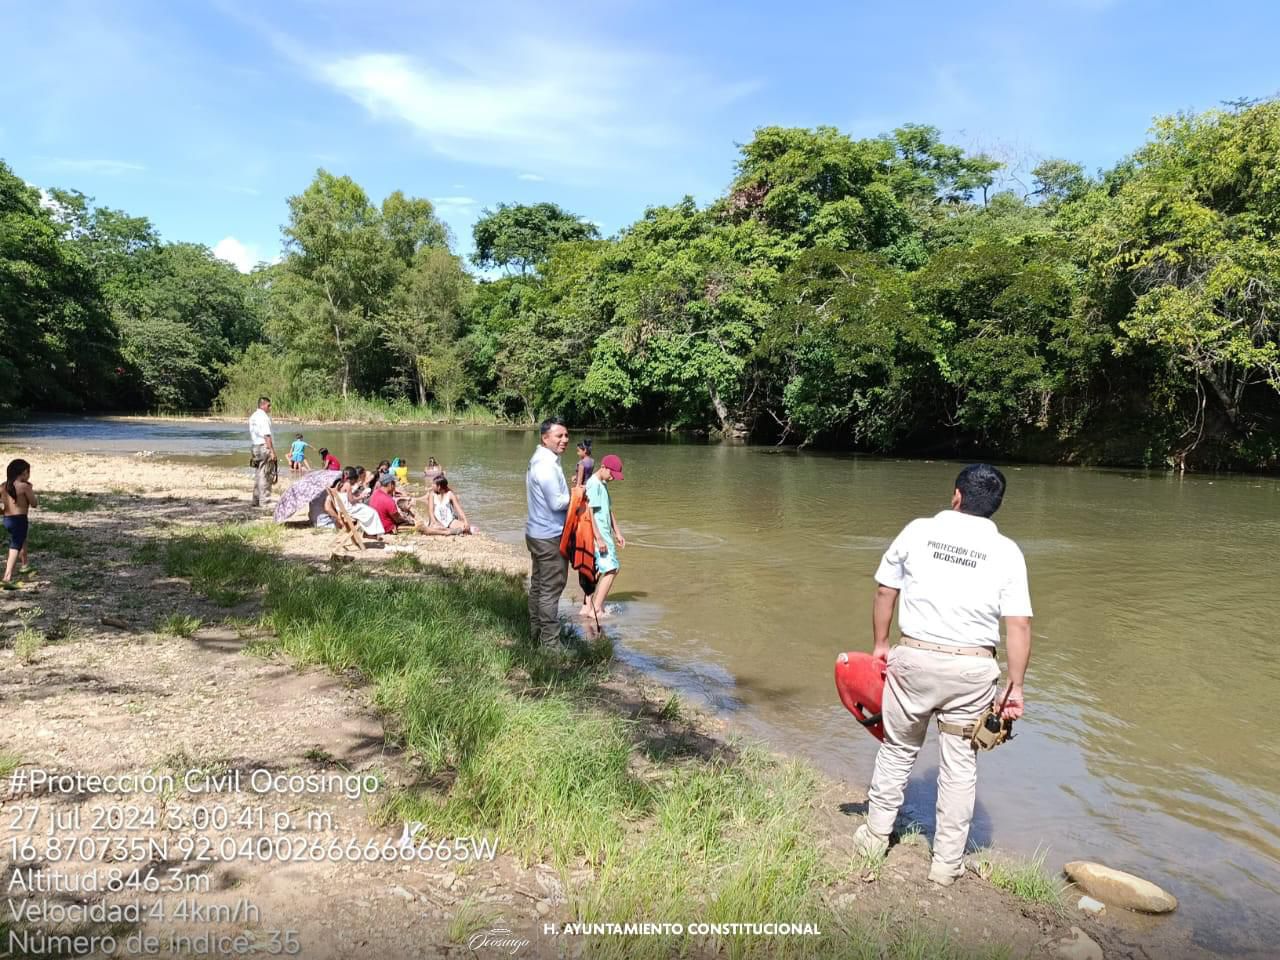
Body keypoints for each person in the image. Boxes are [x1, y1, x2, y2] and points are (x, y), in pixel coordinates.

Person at [853, 464, 1033, 887]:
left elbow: (885, 590)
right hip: (971, 670)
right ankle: (946, 864)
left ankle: (875, 836)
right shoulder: (1007, 551)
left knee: (898, 749)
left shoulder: (917, 531)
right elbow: (1019, 625)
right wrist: (1016, 687)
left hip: (914, 659)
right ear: (995, 507)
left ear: (956, 496)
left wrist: (881, 645)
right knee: (959, 766)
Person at [525, 417, 571, 645]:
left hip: (537, 532)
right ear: (545, 438)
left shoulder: (543, 459)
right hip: (548, 535)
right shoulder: (545, 465)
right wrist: (578, 495)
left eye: (566, 435)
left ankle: (535, 633)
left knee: (540, 586)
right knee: (551, 589)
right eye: (559, 436)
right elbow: (557, 502)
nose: (565, 440)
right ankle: (550, 645)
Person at [578, 455, 625, 618]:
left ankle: (587, 606)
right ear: (603, 467)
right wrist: (598, 538)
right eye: (612, 474)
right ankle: (597, 609)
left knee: (597, 570)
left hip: (605, 535)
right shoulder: (593, 484)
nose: (613, 478)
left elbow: (609, 510)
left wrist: (617, 532)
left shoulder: (602, 485)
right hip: (599, 537)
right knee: (612, 568)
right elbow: (589, 513)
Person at [2, 459, 37, 586]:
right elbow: (34, 503)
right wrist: (30, 490)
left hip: (7, 519)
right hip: (20, 519)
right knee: (15, 545)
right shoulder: (25, 486)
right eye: (28, 472)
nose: (29, 475)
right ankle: (7, 575)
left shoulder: (3, 486)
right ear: (23, 473)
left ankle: (24, 564)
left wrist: (3, 511)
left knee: (22, 539)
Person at [329, 467, 384, 537]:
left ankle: (369, 532)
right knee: (373, 512)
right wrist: (361, 497)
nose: (354, 482)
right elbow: (351, 500)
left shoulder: (340, 483)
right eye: (355, 479)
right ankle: (371, 533)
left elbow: (346, 497)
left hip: (342, 508)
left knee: (368, 510)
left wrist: (356, 496)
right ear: (352, 478)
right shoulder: (348, 485)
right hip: (348, 510)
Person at [249, 397, 276, 507]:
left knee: (258, 474)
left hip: (255, 447)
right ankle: (265, 501)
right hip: (264, 446)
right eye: (268, 405)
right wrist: (272, 451)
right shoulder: (263, 417)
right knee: (266, 474)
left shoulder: (253, 416)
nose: (270, 407)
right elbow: (267, 435)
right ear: (262, 405)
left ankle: (256, 500)